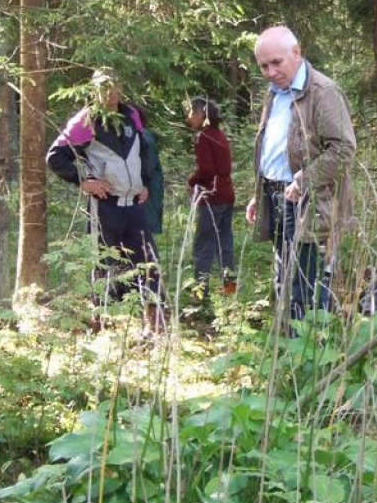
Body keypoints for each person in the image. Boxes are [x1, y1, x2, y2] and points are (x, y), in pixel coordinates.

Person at [245, 26, 356, 326]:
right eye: (263, 66)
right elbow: (275, 147)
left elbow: (344, 149)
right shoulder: (274, 94)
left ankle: (311, 358)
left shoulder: (323, 92)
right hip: (275, 194)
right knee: (284, 277)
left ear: (297, 53)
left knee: (305, 283)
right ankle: (289, 356)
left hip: (309, 200)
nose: (270, 72)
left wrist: (304, 180)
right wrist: (259, 193)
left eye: (276, 62)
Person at [46, 69, 163, 327]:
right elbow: (55, 157)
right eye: (104, 86)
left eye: (114, 85)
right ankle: (102, 320)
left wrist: (144, 183)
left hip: (134, 205)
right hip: (105, 205)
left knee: (148, 261)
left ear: (121, 86)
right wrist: (84, 181)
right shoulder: (85, 121)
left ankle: (154, 321)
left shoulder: (131, 115)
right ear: (94, 89)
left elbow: (144, 150)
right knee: (102, 263)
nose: (110, 91)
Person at [186, 97, 236, 300]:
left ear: (200, 114)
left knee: (203, 245)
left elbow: (206, 170)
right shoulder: (220, 135)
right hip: (226, 194)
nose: (188, 118)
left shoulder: (204, 137)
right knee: (225, 243)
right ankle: (230, 289)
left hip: (212, 197)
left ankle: (200, 294)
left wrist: (191, 181)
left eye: (190, 113)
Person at [131, 105, 164, 235]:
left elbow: (147, 167)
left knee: (144, 233)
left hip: (146, 193)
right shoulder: (135, 137)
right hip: (142, 191)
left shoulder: (144, 137)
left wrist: (141, 185)